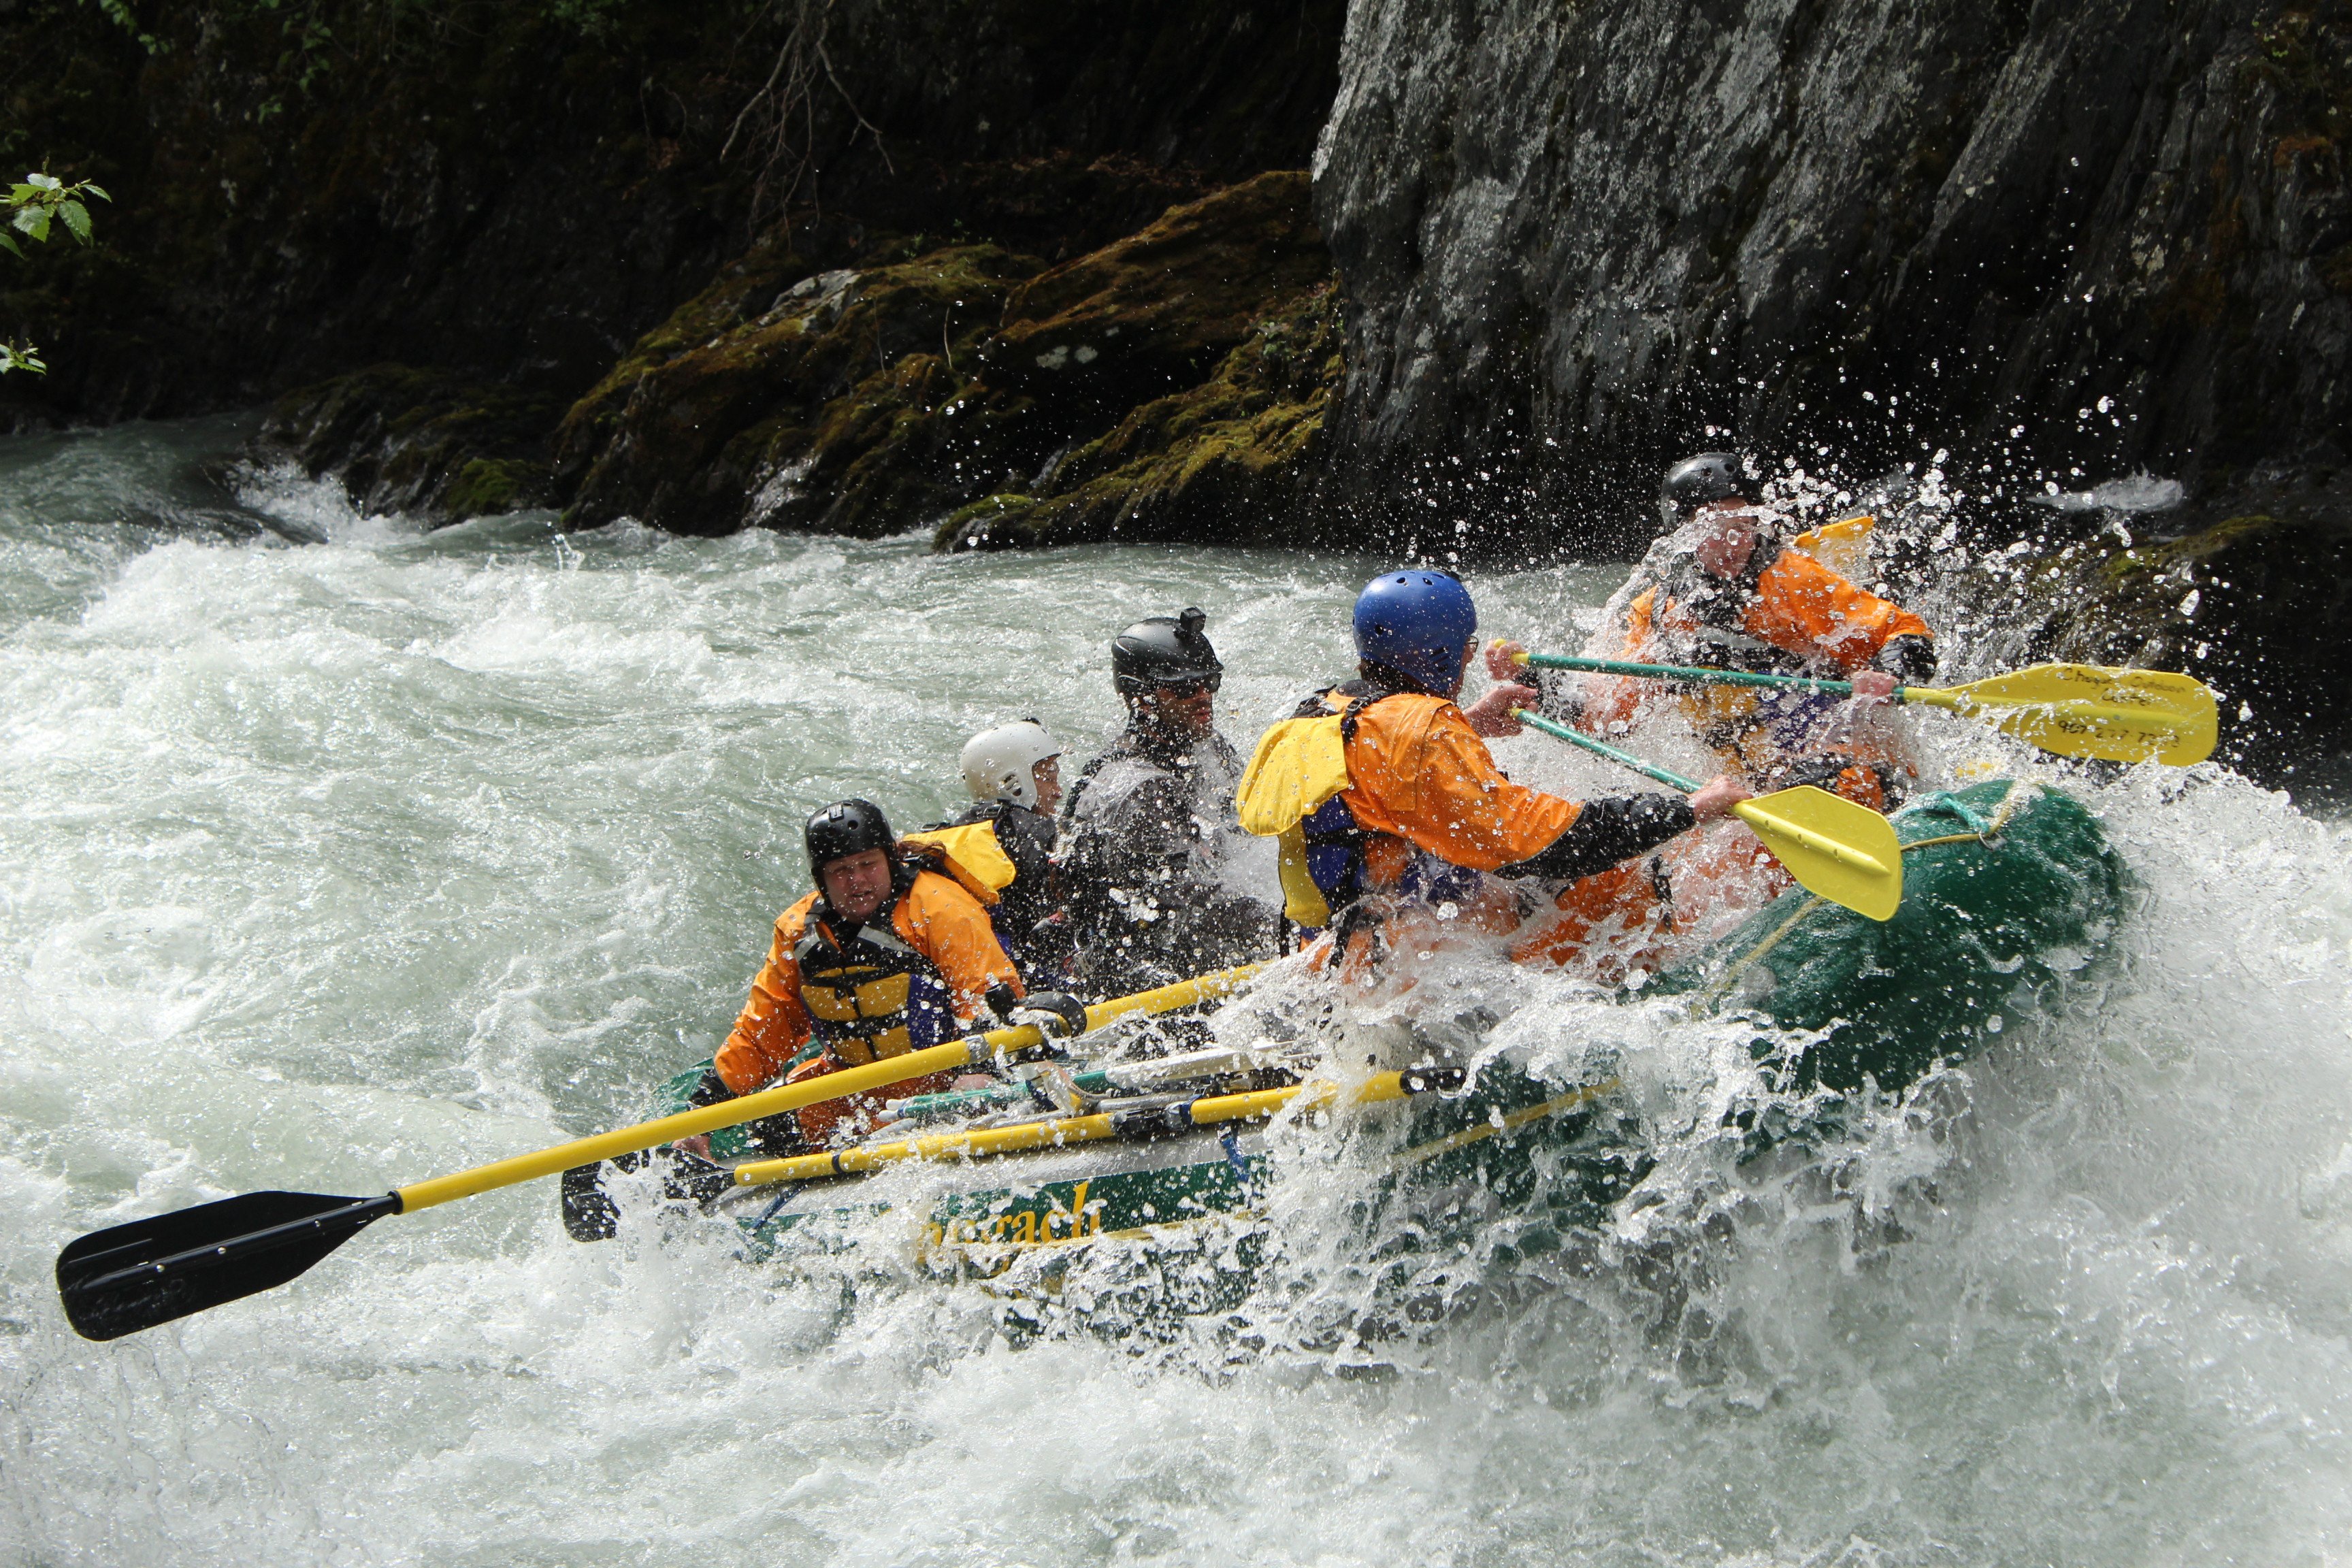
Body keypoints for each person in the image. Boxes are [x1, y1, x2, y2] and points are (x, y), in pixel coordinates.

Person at [1239, 569, 1751, 969]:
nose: (1468, 656)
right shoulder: (1424, 730)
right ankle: (1644, 993)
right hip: (1403, 957)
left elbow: (1370, 773)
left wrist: (1470, 722)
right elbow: (1539, 844)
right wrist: (1686, 810)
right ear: (1440, 656)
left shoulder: (1321, 709)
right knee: (1624, 868)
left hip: (1330, 940)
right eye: (1464, 645)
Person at [1505, 453, 1936, 809]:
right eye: (1715, 530)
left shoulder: (1791, 579)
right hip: (1753, 790)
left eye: (1743, 526)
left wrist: (1889, 672)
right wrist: (1534, 683)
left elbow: (1903, 629)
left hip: (1847, 763)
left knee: (1817, 787)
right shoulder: (1659, 612)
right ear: (1684, 537)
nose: (1733, 543)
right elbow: (1610, 716)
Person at [687, 799, 1085, 1152]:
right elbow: (764, 1029)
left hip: (941, 1084)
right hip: (851, 1090)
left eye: (867, 864)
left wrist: (974, 1071)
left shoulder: (940, 907)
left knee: (976, 1093)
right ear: (821, 881)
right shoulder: (797, 931)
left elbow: (983, 993)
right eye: (841, 871)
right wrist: (703, 1110)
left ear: (889, 861)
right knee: (768, 1131)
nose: (857, 881)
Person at [1060, 607, 1281, 994]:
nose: (1203, 697)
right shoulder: (1138, 792)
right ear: (1140, 698)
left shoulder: (1208, 749)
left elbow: (1245, 840)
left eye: (1209, 682)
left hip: (1187, 940)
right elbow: (1196, 907)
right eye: (1182, 689)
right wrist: (1291, 925)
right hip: (1142, 978)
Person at [904, 720, 1073, 986]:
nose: (1058, 791)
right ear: (1013, 781)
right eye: (1049, 778)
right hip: (1029, 980)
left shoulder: (946, 834)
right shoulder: (1040, 833)